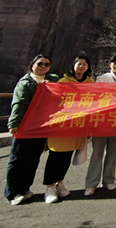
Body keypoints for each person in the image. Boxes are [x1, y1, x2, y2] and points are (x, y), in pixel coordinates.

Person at [4, 54, 59, 205]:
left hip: (41, 127)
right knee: (17, 159)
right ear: (32, 65)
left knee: (33, 158)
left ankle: (25, 188)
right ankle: (12, 193)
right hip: (25, 126)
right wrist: (14, 123)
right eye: (40, 64)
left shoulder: (52, 80)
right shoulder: (26, 83)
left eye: (47, 64)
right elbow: (19, 103)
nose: (43, 67)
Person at [44, 52, 94, 203]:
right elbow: (53, 103)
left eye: (84, 64)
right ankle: (50, 187)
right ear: (73, 66)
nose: (81, 66)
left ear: (88, 67)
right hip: (62, 126)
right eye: (79, 64)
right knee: (56, 156)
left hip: (77, 127)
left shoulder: (91, 83)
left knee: (66, 157)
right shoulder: (63, 81)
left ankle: (59, 183)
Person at [84, 53, 116, 196]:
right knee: (97, 153)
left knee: (112, 152)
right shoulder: (102, 78)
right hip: (102, 121)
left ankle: (108, 180)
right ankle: (91, 183)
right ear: (110, 64)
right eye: (114, 63)